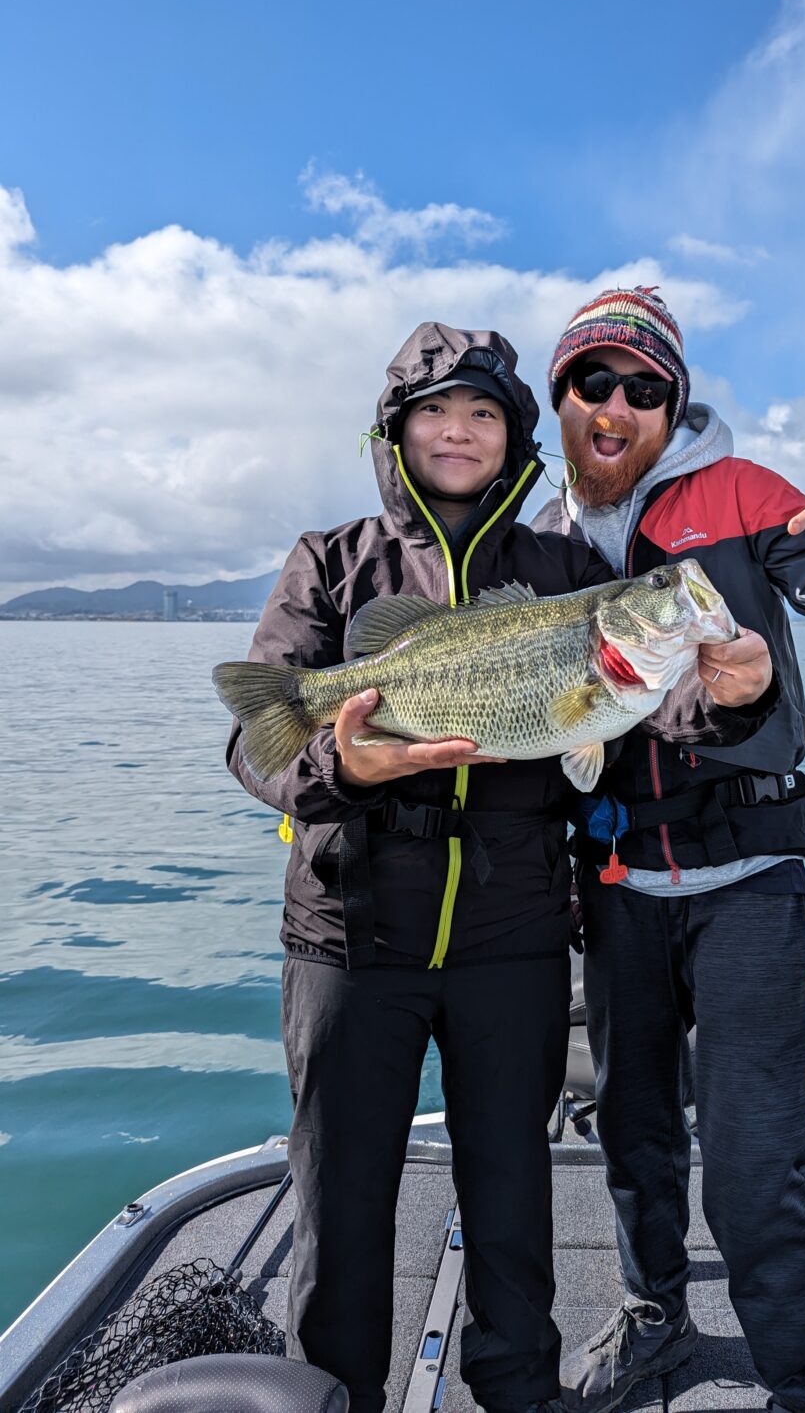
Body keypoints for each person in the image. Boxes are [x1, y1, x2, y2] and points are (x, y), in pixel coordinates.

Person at [534, 287, 805, 1413]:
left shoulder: (747, 493)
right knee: (632, 1133)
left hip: (749, 880)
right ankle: (656, 1318)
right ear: (560, 397)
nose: (617, 404)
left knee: (757, 1160)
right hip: (613, 886)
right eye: (593, 381)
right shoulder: (538, 539)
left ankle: (797, 1377)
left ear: (672, 405)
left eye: (644, 388)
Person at [224, 322, 615, 1413]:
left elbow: (629, 710)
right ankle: (335, 1393)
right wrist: (338, 764)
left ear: (514, 439)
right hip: (350, 936)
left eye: (483, 413)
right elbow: (255, 746)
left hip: (515, 936)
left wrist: (726, 688)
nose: (458, 431)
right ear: (394, 432)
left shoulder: (566, 570)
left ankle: (516, 1392)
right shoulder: (329, 560)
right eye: (435, 411)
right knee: (341, 1204)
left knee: (513, 1194)